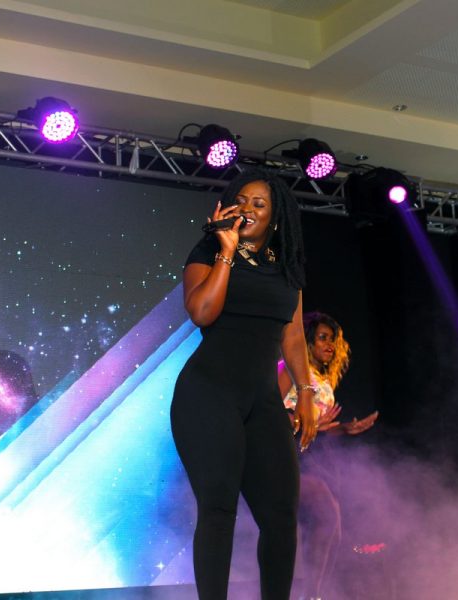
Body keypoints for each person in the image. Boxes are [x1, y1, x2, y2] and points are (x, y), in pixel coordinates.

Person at [170, 168, 317, 600]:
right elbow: (202, 312)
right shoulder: (208, 249)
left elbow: (293, 335)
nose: (249, 209)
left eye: (260, 203)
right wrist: (226, 252)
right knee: (219, 509)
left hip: (263, 401)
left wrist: (306, 393)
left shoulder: (286, 263)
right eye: (243, 201)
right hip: (208, 393)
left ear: (275, 215)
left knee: (281, 516)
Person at [278, 312, 379, 600]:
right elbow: (269, 409)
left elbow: (319, 427)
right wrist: (304, 421)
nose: (330, 345)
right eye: (323, 338)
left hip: (316, 457)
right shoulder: (289, 369)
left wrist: (344, 429)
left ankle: (311, 593)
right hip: (288, 454)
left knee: (332, 529)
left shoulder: (323, 380)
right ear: (307, 341)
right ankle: (309, 595)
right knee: (325, 513)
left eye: (332, 340)